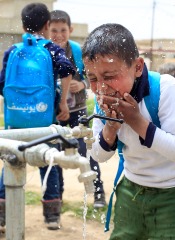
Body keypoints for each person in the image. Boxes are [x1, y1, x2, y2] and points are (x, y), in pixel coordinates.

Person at [82, 23, 175, 239]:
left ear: (137, 67)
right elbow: (98, 155)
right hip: (130, 191)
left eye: (109, 77)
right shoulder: (102, 99)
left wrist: (136, 120)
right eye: (92, 78)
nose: (100, 87)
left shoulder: (166, 88)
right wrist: (110, 128)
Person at [0, 3, 75, 231]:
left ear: (23, 25)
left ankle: (2, 216)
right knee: (48, 162)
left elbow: (2, 84)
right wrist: (62, 103)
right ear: (47, 25)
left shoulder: (12, 51)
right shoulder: (52, 49)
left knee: (11, 162)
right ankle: (52, 217)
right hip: (45, 119)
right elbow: (67, 70)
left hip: (15, 122)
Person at [49, 10, 106, 208]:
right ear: (47, 30)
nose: (58, 34)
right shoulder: (45, 52)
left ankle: (99, 193)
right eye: (54, 30)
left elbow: (95, 77)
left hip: (78, 112)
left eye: (63, 30)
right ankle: (58, 197)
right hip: (55, 113)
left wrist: (82, 85)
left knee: (85, 151)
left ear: (70, 30)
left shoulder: (77, 52)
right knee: (55, 154)